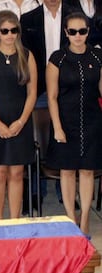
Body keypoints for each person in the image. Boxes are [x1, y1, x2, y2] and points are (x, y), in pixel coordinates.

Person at [46, 12, 102, 236]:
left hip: (92, 121)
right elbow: (51, 96)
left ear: (88, 32)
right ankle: (70, 218)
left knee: (88, 171)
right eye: (73, 32)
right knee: (67, 171)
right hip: (65, 120)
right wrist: (57, 127)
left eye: (83, 31)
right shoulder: (57, 58)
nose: (78, 36)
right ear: (66, 33)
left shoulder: (98, 57)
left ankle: (85, 218)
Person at [0, 10, 36, 219]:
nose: (10, 34)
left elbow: (32, 93)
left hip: (20, 121)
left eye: (14, 30)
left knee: (17, 173)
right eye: (5, 31)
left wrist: (21, 121)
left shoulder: (27, 56)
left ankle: (15, 221)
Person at [20, 0, 76, 212]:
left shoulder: (75, 13)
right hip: (39, 88)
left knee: (66, 136)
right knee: (37, 140)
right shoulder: (28, 19)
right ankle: (36, 192)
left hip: (69, 88)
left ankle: (66, 192)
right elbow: (25, 57)